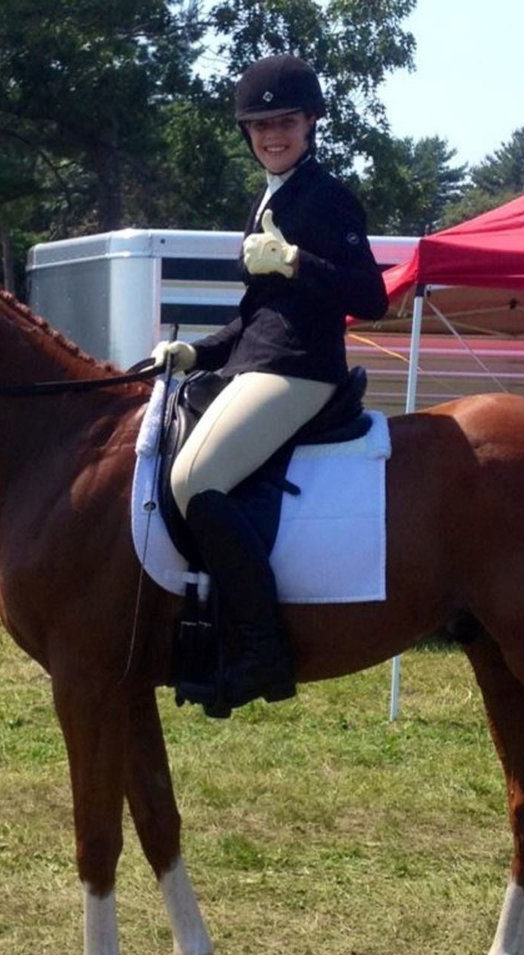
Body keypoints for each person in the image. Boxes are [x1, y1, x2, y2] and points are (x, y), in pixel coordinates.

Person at [151, 53, 388, 710]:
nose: (272, 134)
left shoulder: (328, 196)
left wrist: (294, 259)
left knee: (193, 479)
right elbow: (257, 312)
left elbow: (371, 297)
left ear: (311, 122)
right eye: (259, 125)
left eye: (284, 121)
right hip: (257, 359)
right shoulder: (271, 194)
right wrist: (198, 354)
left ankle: (264, 651)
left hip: (301, 369)